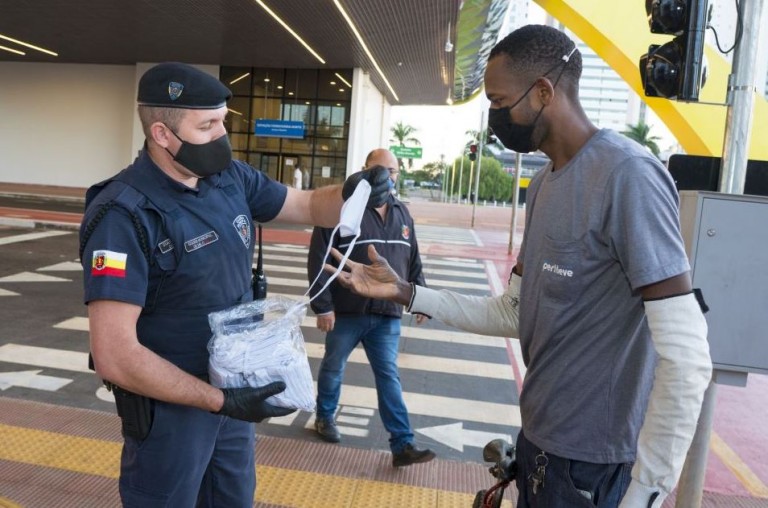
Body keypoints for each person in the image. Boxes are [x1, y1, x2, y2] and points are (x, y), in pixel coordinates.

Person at [324, 25, 712, 508]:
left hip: (596, 469)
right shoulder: (545, 185)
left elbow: (688, 356)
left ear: (544, 92)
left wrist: (647, 493)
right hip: (539, 449)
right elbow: (513, 311)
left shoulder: (628, 176)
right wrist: (406, 292)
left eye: (499, 101)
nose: (494, 117)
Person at [78, 62, 391, 507]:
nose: (222, 135)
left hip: (233, 398)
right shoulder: (123, 215)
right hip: (172, 415)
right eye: (207, 126)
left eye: (223, 121)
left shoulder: (229, 179)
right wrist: (217, 400)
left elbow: (305, 205)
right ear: (163, 135)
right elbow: (115, 355)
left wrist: (354, 192)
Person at [307, 148, 435, 468]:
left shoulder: (402, 213)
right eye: (381, 171)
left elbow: (413, 259)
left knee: (388, 376)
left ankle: (402, 443)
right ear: (365, 171)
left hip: (387, 314)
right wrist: (322, 307)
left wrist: (422, 299)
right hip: (347, 309)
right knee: (333, 366)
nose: (388, 177)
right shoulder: (343, 210)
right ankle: (324, 417)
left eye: (393, 171)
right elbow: (320, 258)